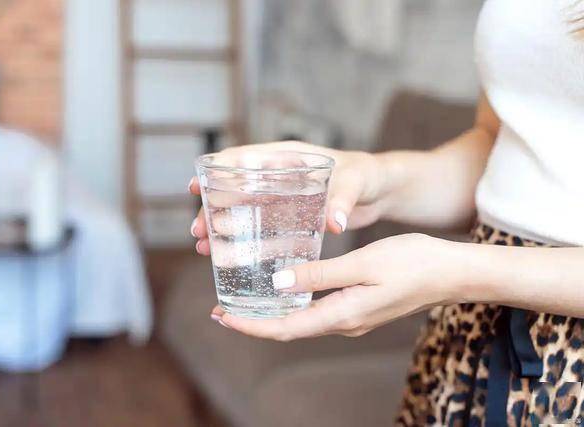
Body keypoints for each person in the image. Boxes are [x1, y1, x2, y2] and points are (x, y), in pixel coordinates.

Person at [189, 0, 584, 424]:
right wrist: (376, 178)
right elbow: (502, 146)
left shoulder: (465, 274)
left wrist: (459, 272)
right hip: (476, 335)